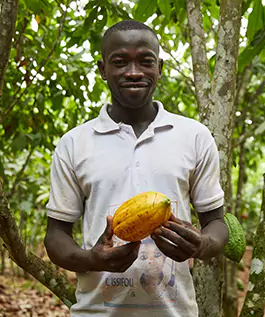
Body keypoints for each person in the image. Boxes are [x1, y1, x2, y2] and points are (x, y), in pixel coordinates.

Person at [44, 19, 229, 317]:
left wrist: (201, 245)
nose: (133, 72)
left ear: (160, 68)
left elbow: (217, 223)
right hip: (96, 312)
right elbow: (55, 236)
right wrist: (93, 260)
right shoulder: (74, 143)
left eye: (145, 61)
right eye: (120, 62)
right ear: (103, 69)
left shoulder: (194, 136)